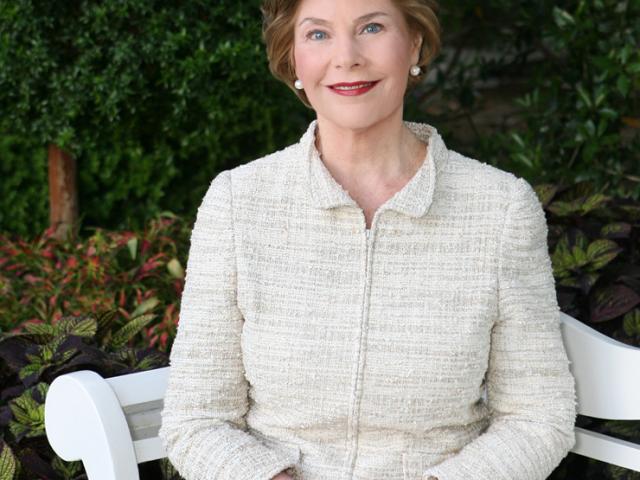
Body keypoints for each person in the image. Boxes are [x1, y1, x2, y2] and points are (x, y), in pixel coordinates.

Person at [158, 0, 578, 478]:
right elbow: (196, 419)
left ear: (414, 43)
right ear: (293, 58)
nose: (347, 56)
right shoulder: (237, 202)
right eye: (318, 34)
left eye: (372, 27)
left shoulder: (501, 208)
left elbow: (537, 416)